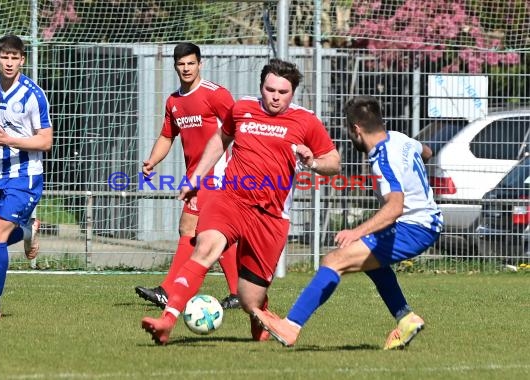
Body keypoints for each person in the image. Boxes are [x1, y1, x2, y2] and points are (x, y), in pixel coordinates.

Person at [140, 58, 341, 345]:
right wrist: (197, 176)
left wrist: (314, 162)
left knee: (249, 299)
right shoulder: (243, 108)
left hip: (271, 217)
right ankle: (167, 321)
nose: (275, 96)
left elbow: (334, 162)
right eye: (270, 89)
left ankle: (260, 316)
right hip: (231, 198)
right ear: (261, 87)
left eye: (282, 92)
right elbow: (221, 138)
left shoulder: (306, 120)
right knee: (205, 249)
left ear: (292, 92)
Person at [253, 95, 444, 349]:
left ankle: (291, 326)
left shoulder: (382, 159)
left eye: (348, 130)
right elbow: (427, 152)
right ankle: (406, 318)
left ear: (355, 129)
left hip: (415, 227)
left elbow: (395, 206)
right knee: (372, 263)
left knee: (335, 260)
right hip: (425, 221)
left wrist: (356, 231)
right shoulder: (400, 139)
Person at [134, 42, 241, 310]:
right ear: (175, 66)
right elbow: (167, 135)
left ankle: (168, 291)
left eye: (191, 63)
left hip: (217, 175)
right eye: (181, 64)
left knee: (188, 227)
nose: (186, 68)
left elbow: (239, 127)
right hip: (195, 176)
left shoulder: (215, 95)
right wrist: (152, 160)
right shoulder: (174, 102)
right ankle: (239, 292)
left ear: (200, 64)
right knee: (217, 233)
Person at [0, 34, 53, 320]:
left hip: (25, 177)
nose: (10, 63)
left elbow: (45, 142)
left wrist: (9, 141)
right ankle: (28, 230)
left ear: (22, 60)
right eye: (5, 57)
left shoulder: (33, 94)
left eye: (15, 58)